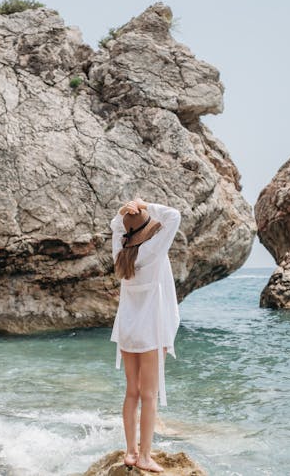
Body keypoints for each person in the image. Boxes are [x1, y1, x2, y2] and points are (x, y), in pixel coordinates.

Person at [109, 197, 182, 473]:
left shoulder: (121, 250)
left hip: (127, 329)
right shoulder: (153, 250)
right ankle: (144, 456)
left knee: (132, 392)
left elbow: (117, 225)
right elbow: (174, 215)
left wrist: (125, 212)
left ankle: (130, 451)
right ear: (146, 230)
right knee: (149, 395)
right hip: (150, 329)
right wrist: (144, 205)